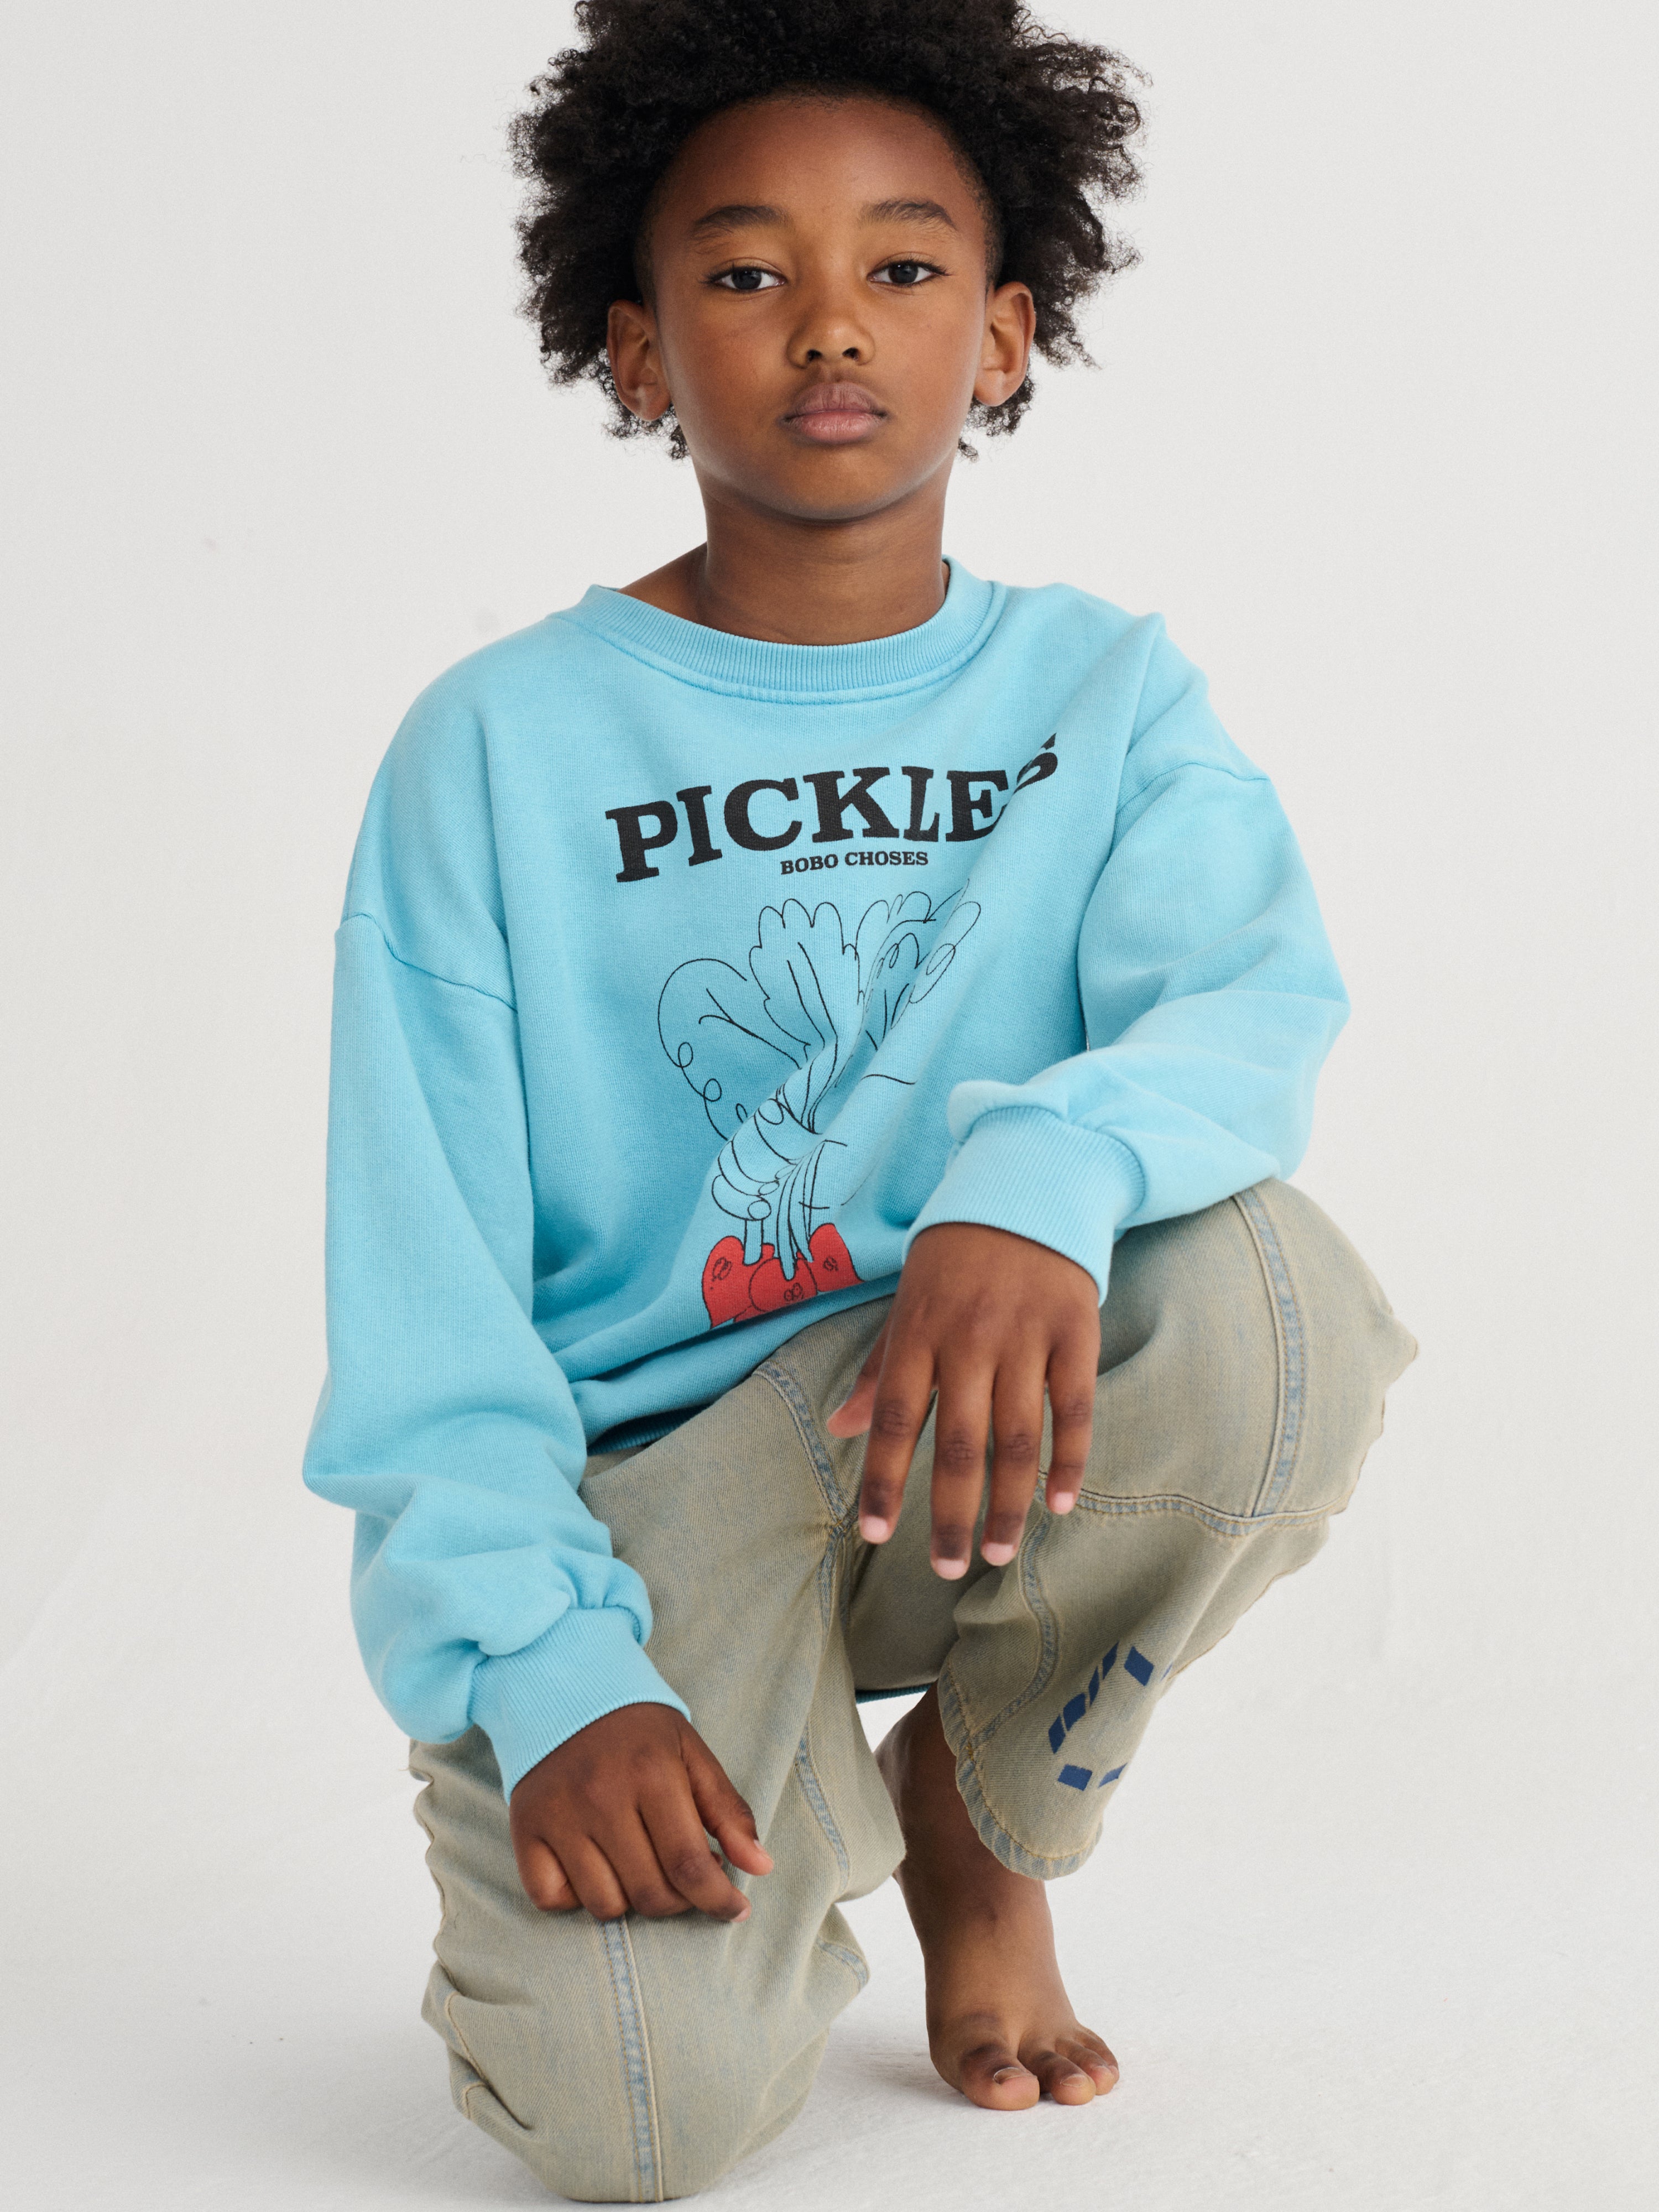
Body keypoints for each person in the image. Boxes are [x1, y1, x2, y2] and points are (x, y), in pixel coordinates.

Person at [304, 1, 1416, 2197]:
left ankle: (981, 1825)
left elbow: (1247, 1003)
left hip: (959, 1419)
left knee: (1277, 1308)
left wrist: (1037, 1173)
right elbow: (423, 1301)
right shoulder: (494, 749)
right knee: (637, 2125)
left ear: (1002, 337)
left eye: (902, 266)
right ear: (638, 354)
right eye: (746, 272)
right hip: (644, 1500)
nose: (829, 320)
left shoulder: (1107, 694)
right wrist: (553, 1671)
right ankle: (727, 1754)